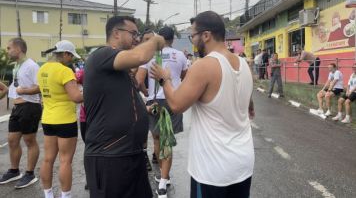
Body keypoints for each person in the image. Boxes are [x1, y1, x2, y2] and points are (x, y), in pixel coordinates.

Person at [150, 11, 255, 198]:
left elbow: (175, 104)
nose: (192, 41)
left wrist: (164, 79)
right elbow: (248, 104)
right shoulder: (243, 63)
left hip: (213, 169)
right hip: (243, 163)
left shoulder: (204, 65)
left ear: (206, 35)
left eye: (193, 36)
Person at [83, 16, 165, 198]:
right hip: (110, 156)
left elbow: (121, 101)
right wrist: (156, 40)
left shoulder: (120, 69)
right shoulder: (101, 55)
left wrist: (146, 110)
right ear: (116, 33)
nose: (136, 38)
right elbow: (140, 56)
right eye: (133, 34)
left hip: (131, 153)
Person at [136, 26, 188, 198]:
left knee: (157, 139)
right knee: (167, 140)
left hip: (154, 102)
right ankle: (164, 181)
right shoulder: (180, 55)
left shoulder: (150, 54)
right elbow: (184, 75)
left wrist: (146, 93)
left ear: (159, 38)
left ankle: (163, 176)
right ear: (172, 39)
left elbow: (138, 80)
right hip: (173, 99)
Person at [37, 40, 83, 198]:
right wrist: (92, 92)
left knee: (48, 159)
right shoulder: (65, 71)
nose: (72, 60)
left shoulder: (43, 68)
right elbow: (76, 97)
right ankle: (66, 196)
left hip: (48, 119)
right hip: (64, 120)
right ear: (65, 54)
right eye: (71, 56)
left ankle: (48, 194)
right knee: (65, 161)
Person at [0, 38, 42, 189]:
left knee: (29, 140)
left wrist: (23, 91)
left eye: (9, 48)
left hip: (30, 106)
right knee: (12, 140)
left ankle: (30, 174)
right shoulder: (16, 66)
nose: (8, 50)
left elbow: (40, 87)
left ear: (18, 49)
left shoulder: (32, 65)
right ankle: (14, 170)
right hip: (17, 108)